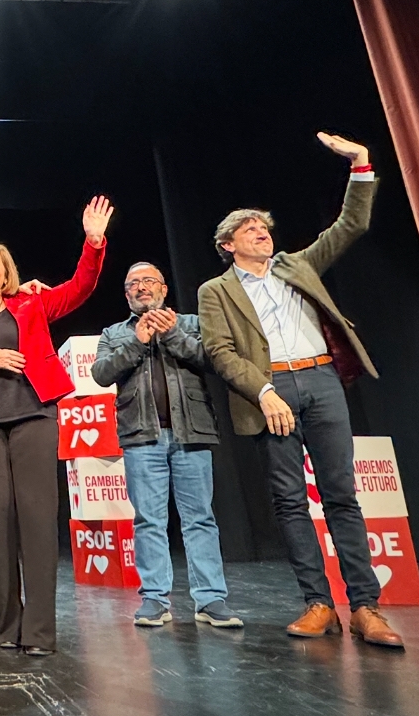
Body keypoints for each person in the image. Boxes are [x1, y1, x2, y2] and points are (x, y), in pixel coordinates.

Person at [197, 131, 401, 648]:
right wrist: (264, 392)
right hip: (268, 391)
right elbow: (221, 352)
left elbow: (351, 223)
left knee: (343, 497)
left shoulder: (297, 264)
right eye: (248, 229)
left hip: (320, 379)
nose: (260, 232)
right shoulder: (214, 291)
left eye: (263, 226)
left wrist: (360, 165)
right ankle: (317, 603)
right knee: (290, 501)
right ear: (228, 246)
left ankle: (365, 606)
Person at [0, 197, 110, 655]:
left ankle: (40, 632)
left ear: (7, 272)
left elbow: (79, 289)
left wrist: (93, 243)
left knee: (35, 518)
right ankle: (8, 624)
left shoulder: (31, 306)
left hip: (34, 415)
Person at [92, 262, 241, 629]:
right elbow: (101, 374)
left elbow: (213, 360)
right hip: (142, 437)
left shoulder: (189, 323)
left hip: (192, 433)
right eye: (134, 283)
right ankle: (155, 600)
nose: (142, 287)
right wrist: (137, 341)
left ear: (163, 288)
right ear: (127, 294)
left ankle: (210, 600)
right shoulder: (114, 333)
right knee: (149, 521)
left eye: (149, 281)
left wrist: (172, 333)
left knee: (200, 519)